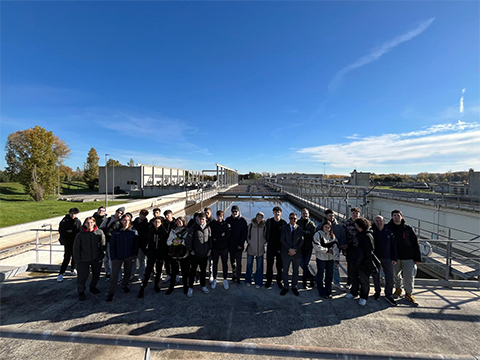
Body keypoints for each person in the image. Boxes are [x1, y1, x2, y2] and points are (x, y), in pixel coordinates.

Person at [389, 210, 421, 307]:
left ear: (401, 216)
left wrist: (417, 258)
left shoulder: (408, 229)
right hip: (395, 257)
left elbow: (415, 244)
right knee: (395, 275)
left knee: (409, 277)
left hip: (408, 257)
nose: (396, 217)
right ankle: (398, 289)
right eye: (394, 215)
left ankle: (409, 293)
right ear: (392, 217)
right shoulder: (388, 228)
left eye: (398, 215)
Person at [107, 213, 139, 303]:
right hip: (117, 257)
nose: (126, 222)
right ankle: (111, 292)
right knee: (114, 275)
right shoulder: (116, 232)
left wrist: (134, 255)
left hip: (129, 256)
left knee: (127, 273)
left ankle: (124, 285)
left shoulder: (133, 232)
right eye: (124, 220)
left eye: (128, 220)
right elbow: (112, 245)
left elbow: (136, 245)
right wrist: (113, 257)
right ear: (121, 221)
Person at [73, 217, 106, 300]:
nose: (89, 224)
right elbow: (76, 249)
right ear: (84, 224)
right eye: (87, 223)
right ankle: (81, 291)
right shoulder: (80, 235)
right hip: (84, 259)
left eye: (91, 222)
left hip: (96, 258)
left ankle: (93, 287)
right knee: (82, 277)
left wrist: (101, 256)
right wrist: (77, 261)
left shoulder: (99, 232)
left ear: (94, 223)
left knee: (96, 275)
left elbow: (103, 245)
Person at [345, 217, 375, 306]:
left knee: (364, 280)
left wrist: (364, 259)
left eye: (356, 224)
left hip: (363, 261)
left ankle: (363, 296)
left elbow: (369, 250)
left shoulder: (367, 235)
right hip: (354, 260)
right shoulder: (359, 234)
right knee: (354, 277)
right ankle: (354, 292)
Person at [371, 215, 397, 306]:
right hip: (375, 257)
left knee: (390, 277)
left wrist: (394, 258)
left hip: (387, 257)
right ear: (374, 221)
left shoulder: (389, 231)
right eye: (377, 220)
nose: (379, 222)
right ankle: (377, 292)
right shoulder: (372, 231)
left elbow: (393, 246)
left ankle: (388, 294)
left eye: (380, 220)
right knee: (375, 276)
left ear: (384, 221)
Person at [186, 212, 212, 297]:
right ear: (198, 219)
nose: (202, 221)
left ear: (205, 220)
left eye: (203, 219)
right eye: (200, 219)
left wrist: (210, 249)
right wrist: (191, 250)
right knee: (192, 271)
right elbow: (188, 241)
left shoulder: (208, 228)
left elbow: (210, 239)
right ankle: (190, 287)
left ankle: (203, 285)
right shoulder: (193, 228)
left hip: (204, 254)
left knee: (203, 271)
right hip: (195, 254)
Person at [138, 217, 165, 298]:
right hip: (151, 254)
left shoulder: (163, 232)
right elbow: (144, 243)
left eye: (158, 222)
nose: (157, 224)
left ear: (161, 223)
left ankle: (156, 285)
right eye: (155, 222)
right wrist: (146, 252)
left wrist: (163, 253)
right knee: (148, 271)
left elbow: (166, 244)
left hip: (160, 255)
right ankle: (143, 287)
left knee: (159, 270)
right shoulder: (149, 232)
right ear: (153, 223)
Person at [312, 220, 339, 299]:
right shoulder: (318, 234)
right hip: (321, 258)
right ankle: (321, 291)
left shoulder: (332, 236)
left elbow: (336, 248)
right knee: (320, 274)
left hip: (330, 259)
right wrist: (327, 250)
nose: (327, 229)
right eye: (325, 227)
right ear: (323, 227)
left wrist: (336, 259)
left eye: (329, 227)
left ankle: (328, 291)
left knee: (329, 275)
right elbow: (316, 246)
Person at [321, 209, 347, 290]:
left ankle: (336, 282)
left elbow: (342, 237)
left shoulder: (339, 227)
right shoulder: (321, 226)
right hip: (325, 250)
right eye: (330, 216)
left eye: (333, 215)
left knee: (335, 266)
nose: (332, 217)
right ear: (326, 216)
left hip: (335, 251)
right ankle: (323, 281)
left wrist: (342, 248)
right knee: (323, 267)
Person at [280, 212, 304, 296]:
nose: (293, 220)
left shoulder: (300, 229)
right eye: (291, 218)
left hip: (296, 254)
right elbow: (282, 240)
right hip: (286, 253)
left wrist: (295, 250)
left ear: (297, 219)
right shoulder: (284, 228)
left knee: (296, 271)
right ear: (289, 219)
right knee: (285, 270)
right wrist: (289, 249)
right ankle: (286, 287)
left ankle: (294, 286)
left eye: (294, 218)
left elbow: (301, 241)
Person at [165, 217, 190, 295]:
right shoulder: (172, 231)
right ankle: (171, 287)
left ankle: (185, 286)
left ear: (183, 222)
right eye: (178, 222)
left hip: (184, 254)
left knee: (184, 271)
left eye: (180, 221)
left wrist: (181, 241)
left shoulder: (187, 231)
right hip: (174, 254)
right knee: (173, 271)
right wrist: (173, 241)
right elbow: (168, 242)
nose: (179, 223)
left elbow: (189, 242)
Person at [100, 207, 125, 281]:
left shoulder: (121, 222)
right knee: (105, 259)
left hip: (114, 243)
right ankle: (107, 272)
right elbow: (101, 229)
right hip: (106, 241)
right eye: (118, 212)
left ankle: (112, 274)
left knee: (112, 259)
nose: (119, 214)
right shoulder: (108, 220)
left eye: (121, 213)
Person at [57, 207, 82, 282]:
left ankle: (73, 269)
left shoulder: (77, 221)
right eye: (72, 213)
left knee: (75, 256)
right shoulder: (64, 221)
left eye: (74, 214)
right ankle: (61, 273)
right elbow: (62, 231)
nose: (73, 215)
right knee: (67, 257)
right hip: (67, 242)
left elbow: (79, 230)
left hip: (75, 241)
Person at [265, 206, 287, 289]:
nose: (277, 213)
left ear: (280, 213)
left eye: (278, 212)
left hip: (280, 247)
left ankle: (279, 280)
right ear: (273, 212)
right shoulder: (269, 221)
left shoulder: (283, 223)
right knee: (269, 264)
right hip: (270, 246)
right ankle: (268, 280)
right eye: (275, 212)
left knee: (279, 266)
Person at [226, 205, 248, 285]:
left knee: (239, 262)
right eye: (233, 211)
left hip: (239, 246)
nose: (234, 213)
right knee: (232, 262)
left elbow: (244, 234)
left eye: (236, 211)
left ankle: (238, 277)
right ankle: (234, 275)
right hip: (230, 245)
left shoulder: (242, 221)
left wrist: (241, 244)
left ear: (238, 211)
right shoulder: (228, 220)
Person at [209, 210, 231, 289]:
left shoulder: (226, 225)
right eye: (218, 216)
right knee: (215, 264)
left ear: (223, 216)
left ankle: (225, 279)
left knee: (225, 264)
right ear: (216, 216)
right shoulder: (213, 224)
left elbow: (227, 236)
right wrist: (221, 235)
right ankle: (215, 278)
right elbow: (212, 235)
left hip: (224, 248)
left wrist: (217, 237)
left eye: (221, 216)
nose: (219, 218)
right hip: (215, 248)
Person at [246, 212, 267, 288]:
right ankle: (248, 280)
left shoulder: (264, 226)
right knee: (249, 265)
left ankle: (258, 282)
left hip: (260, 249)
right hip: (251, 248)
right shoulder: (251, 225)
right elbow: (247, 235)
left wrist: (263, 242)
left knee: (259, 267)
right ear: (256, 217)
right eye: (258, 216)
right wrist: (249, 242)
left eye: (261, 217)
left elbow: (266, 236)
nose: (259, 218)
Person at [297, 208, 316, 289]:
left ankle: (305, 282)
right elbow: (297, 234)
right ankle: (311, 278)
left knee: (306, 264)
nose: (305, 214)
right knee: (302, 264)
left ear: (308, 214)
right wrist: (306, 233)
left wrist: (304, 233)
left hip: (308, 247)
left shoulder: (311, 224)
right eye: (303, 213)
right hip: (300, 247)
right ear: (301, 214)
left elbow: (312, 235)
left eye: (306, 213)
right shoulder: (298, 223)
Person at [343, 207, 361, 289]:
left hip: (360, 248)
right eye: (353, 213)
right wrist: (344, 248)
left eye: (356, 213)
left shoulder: (362, 223)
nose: (355, 215)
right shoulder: (347, 223)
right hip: (350, 247)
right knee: (350, 265)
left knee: (360, 266)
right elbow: (343, 236)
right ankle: (349, 282)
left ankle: (359, 282)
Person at [131, 209, 150, 282]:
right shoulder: (134, 223)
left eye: (144, 215)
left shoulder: (147, 224)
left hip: (142, 245)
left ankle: (141, 274)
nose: (142, 216)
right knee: (133, 260)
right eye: (141, 214)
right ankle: (132, 274)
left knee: (142, 260)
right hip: (134, 244)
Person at [161, 210, 177, 285]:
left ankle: (175, 274)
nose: (167, 217)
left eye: (168, 215)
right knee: (166, 261)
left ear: (171, 214)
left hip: (174, 245)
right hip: (165, 245)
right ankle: (169, 274)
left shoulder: (175, 223)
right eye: (166, 215)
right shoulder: (163, 223)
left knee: (174, 261)